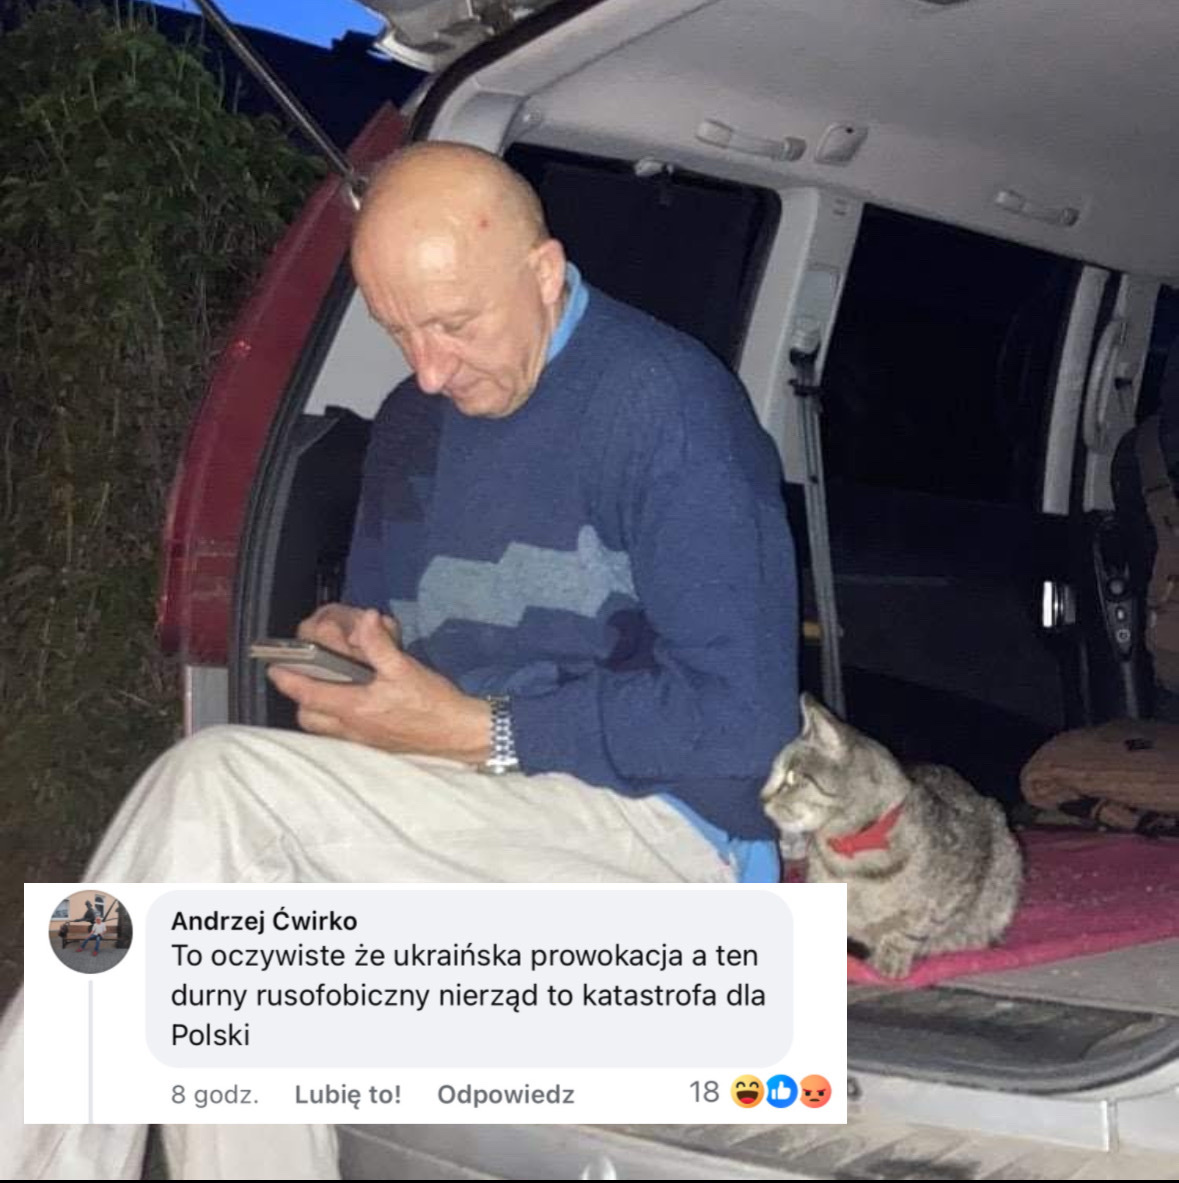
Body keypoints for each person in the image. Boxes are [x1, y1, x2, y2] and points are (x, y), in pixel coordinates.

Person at [0, 142, 798, 1179]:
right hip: (474, 821)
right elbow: (402, 648)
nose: (427, 369)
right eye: (397, 330)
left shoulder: (669, 406)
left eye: (455, 324)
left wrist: (480, 729)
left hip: (670, 857)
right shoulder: (413, 425)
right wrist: (357, 660)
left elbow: (742, 725)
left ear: (544, 273)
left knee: (215, 782)